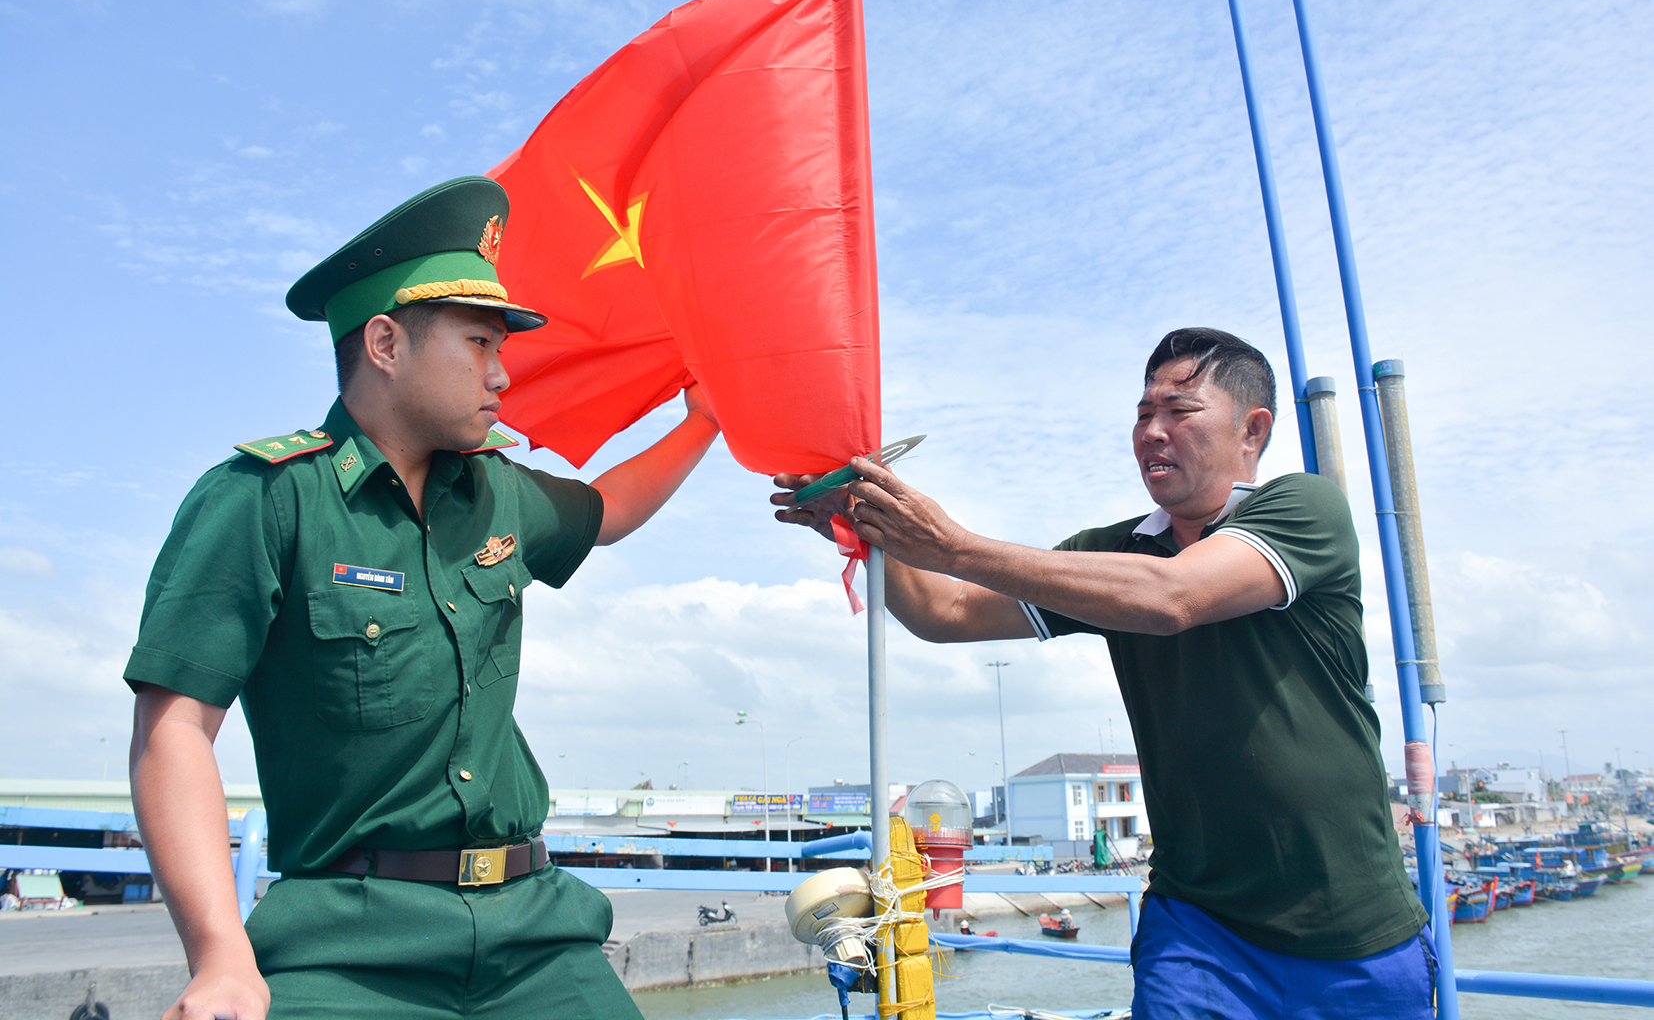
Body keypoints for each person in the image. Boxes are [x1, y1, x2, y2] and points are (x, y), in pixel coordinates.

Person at [126, 176, 720, 1020]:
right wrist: (221, 955)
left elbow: (611, 511)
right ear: (384, 344)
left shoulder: (497, 495)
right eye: (479, 343)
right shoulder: (264, 499)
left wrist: (704, 421)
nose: (501, 374)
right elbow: (173, 729)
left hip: (535, 938)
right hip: (348, 946)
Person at [774, 328, 1434, 1019]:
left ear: (1253, 429)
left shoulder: (1305, 509)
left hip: (1355, 925)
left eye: (1180, 411)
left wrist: (953, 545)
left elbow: (1171, 598)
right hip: (1201, 925)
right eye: (1143, 413)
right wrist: (862, 525)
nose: (1152, 431)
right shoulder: (1113, 555)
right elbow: (948, 611)